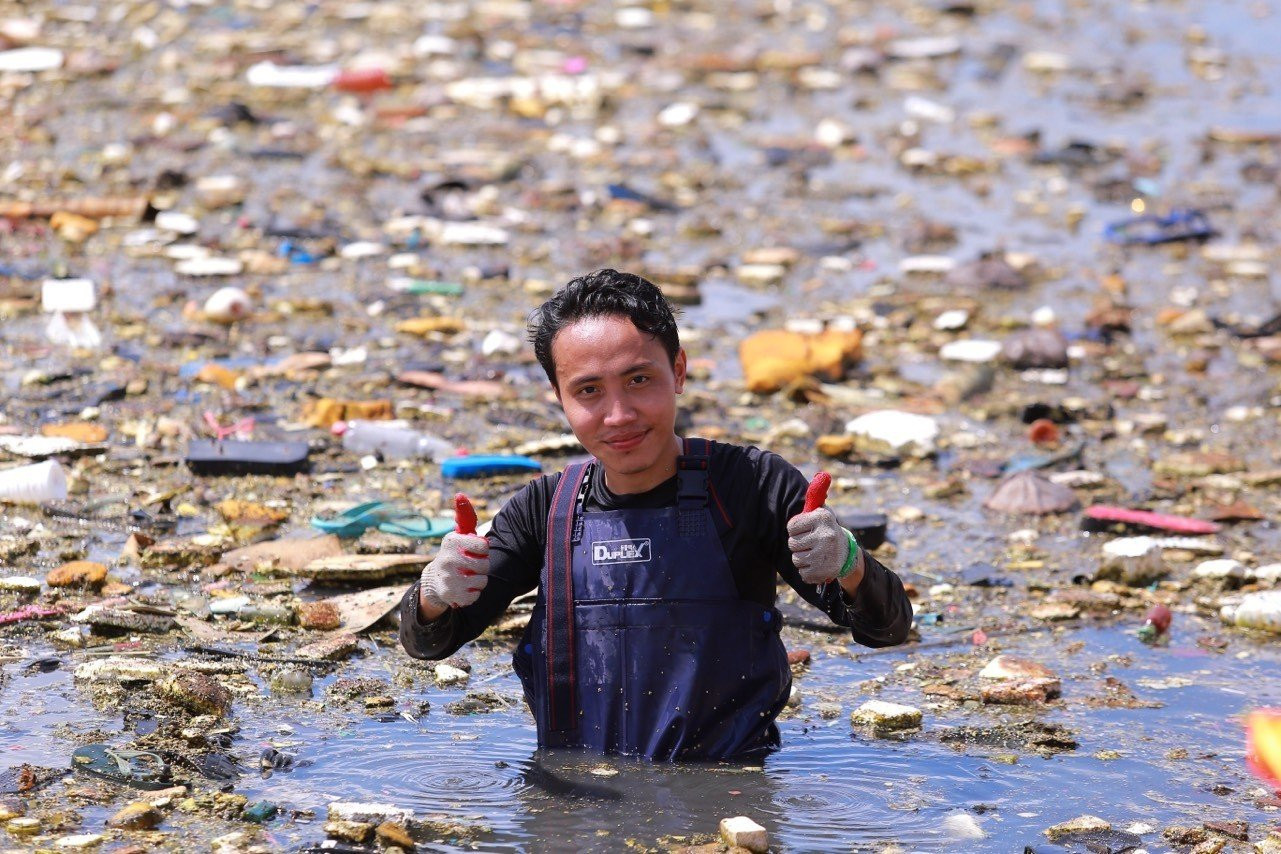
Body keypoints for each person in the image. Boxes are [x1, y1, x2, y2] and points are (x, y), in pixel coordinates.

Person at [400, 269, 912, 760]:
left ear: (680, 371)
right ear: (559, 397)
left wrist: (847, 561)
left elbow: (887, 627)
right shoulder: (546, 510)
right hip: (575, 798)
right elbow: (430, 642)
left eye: (639, 379)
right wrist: (433, 592)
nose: (619, 415)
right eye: (589, 391)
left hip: (726, 790)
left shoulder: (751, 487)